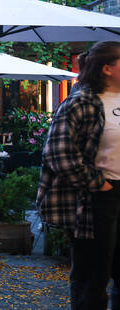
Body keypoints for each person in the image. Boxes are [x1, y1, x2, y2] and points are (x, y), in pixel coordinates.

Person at [38, 41, 120, 309]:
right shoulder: (82, 101)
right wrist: (100, 184)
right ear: (108, 68)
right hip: (97, 198)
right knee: (93, 277)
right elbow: (59, 153)